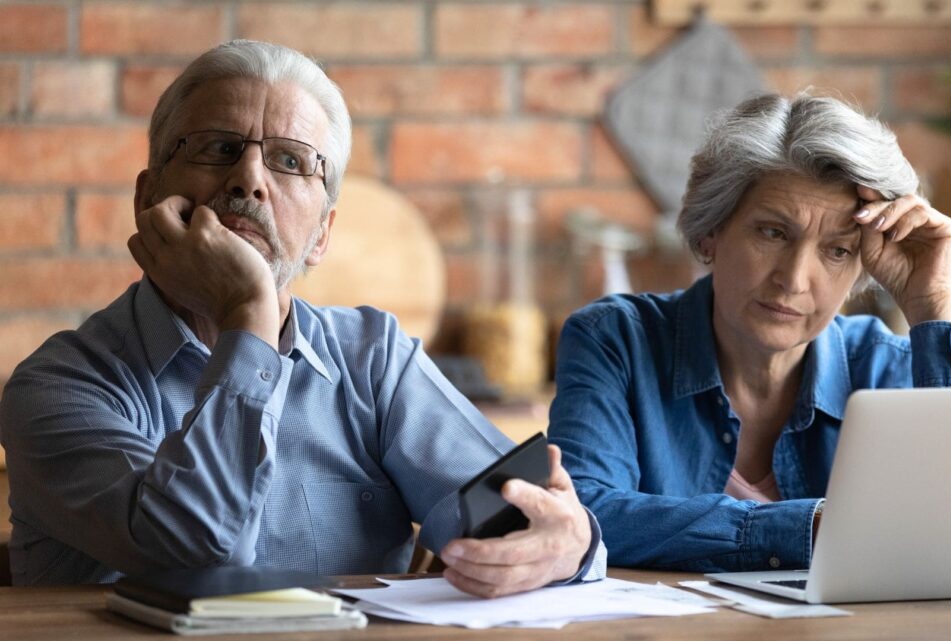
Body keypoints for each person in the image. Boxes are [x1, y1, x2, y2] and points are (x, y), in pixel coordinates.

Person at [0, 39, 604, 595]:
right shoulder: (59, 386)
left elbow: (517, 509)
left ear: (322, 234)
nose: (250, 179)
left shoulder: (373, 359)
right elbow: (194, 556)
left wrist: (569, 544)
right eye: (218, 148)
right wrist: (249, 317)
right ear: (147, 197)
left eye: (290, 161)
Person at [547, 93, 951, 573]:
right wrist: (812, 528)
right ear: (710, 233)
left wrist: (934, 306)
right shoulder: (616, 341)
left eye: (838, 251)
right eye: (773, 234)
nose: (794, 279)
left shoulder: (884, 366)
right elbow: (582, 513)